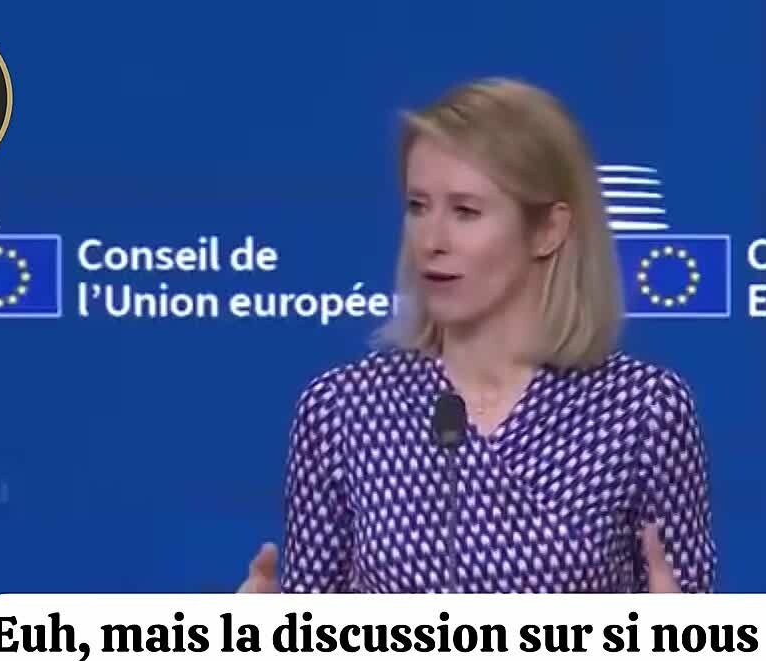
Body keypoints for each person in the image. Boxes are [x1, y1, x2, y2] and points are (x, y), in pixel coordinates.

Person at [244, 77, 716, 596]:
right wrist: (258, 636)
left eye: (465, 211)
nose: (432, 240)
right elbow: (310, 631)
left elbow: (695, 625)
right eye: (418, 206)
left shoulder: (643, 410)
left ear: (548, 230)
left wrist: (678, 635)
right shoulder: (342, 410)